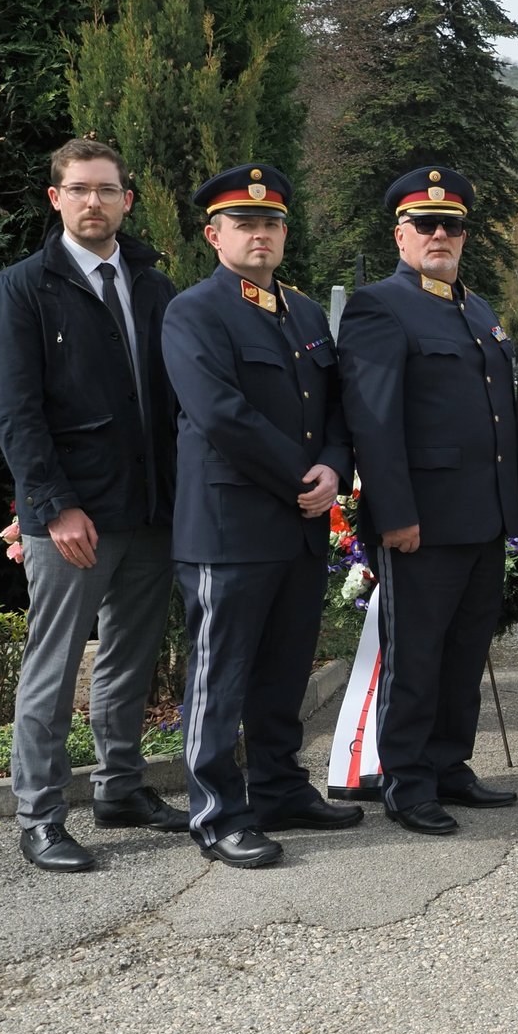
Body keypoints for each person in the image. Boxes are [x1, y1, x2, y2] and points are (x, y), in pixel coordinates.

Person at [0, 138, 188, 873]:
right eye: (79, 189)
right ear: (56, 199)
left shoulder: (154, 285)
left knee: (129, 662)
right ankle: (38, 815)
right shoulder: (23, 288)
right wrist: (54, 506)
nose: (93, 202)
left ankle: (121, 788)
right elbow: (14, 411)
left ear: (127, 199)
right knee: (54, 665)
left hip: (151, 513)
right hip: (72, 520)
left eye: (106, 189)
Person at [162, 165, 362, 868]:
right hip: (230, 529)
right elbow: (220, 413)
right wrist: (300, 475)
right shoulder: (194, 311)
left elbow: (336, 407)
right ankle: (216, 814)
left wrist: (334, 466)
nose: (261, 235)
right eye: (245, 224)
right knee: (221, 677)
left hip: (300, 524)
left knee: (283, 672)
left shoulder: (304, 313)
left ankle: (279, 789)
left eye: (271, 223)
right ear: (215, 235)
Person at [337, 166, 518, 836]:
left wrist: (515, 508)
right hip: (424, 521)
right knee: (416, 656)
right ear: (401, 233)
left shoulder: (475, 308)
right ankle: (406, 780)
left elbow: (501, 417)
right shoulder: (378, 305)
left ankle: (448, 764)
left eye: (453, 225)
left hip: (483, 516)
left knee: (465, 651)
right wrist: (395, 514)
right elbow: (375, 422)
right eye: (426, 224)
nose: (440, 234)